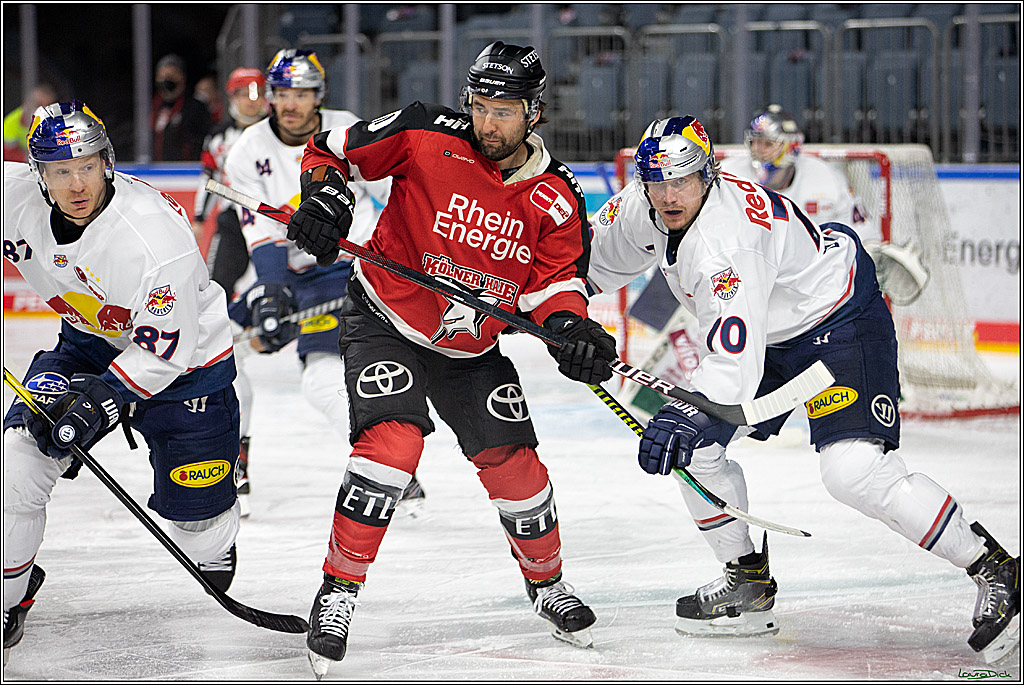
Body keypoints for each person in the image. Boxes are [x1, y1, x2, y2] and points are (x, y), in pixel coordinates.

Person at [586, 115, 1020, 663]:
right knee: (694, 450)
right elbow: (587, 264)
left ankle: (995, 567)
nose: (669, 195)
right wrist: (557, 312)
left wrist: (681, 413)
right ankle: (746, 581)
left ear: (708, 174)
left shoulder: (727, 245)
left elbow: (733, 367)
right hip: (768, 331)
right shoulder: (641, 204)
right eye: (657, 181)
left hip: (838, 319)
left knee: (853, 472)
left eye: (683, 180)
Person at [284, 41, 618, 676]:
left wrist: (569, 328)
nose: (487, 123)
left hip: (472, 348)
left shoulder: (558, 196)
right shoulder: (424, 133)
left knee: (518, 469)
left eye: (504, 111)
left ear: (535, 113)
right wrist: (324, 199)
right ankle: (338, 591)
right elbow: (331, 151)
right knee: (391, 448)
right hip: (386, 319)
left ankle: (547, 583)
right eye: (480, 106)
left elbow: (555, 284)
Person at [3, 102, 242, 665]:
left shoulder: (152, 236)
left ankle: (210, 524)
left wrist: (100, 405)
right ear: (38, 174)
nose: (76, 183)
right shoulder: (15, 197)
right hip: (86, 345)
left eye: (87, 166)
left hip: (186, 366)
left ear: (106, 162)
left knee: (200, 534)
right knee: (16, 463)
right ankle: (9, 594)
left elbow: (165, 349)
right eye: (61, 170)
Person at [221, 49, 415, 518]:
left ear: (319, 96)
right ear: (270, 96)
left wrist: (398, 254)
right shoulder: (247, 150)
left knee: (321, 378)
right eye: (283, 93)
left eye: (302, 93)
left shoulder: (346, 129)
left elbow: (394, 193)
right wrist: (272, 291)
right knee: (218, 348)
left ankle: (389, 467)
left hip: (348, 268)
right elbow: (259, 229)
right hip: (287, 270)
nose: (291, 104)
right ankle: (231, 464)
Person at [193, 67, 268, 301]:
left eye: (257, 94)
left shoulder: (277, 133)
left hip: (271, 219)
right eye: (244, 94)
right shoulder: (218, 137)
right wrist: (199, 218)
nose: (251, 101)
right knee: (216, 287)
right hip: (232, 220)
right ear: (232, 98)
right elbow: (210, 178)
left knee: (272, 283)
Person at [150, 54, 211, 161]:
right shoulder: (150, 108)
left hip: (185, 168)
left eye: (171, 75)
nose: (166, 80)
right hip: (153, 168)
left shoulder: (196, 109)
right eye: (162, 76)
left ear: (182, 77)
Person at [3, 83, 57, 162]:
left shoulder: (57, 122)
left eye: (47, 106)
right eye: (38, 104)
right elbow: (7, 155)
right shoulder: (10, 123)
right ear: (27, 103)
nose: (42, 110)